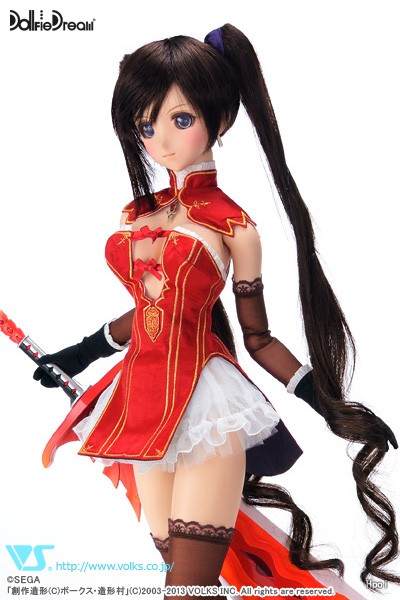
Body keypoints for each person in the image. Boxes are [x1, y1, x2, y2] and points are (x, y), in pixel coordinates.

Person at [33, 24, 399, 598]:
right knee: (182, 582)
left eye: (180, 120)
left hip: (206, 408)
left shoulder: (234, 227)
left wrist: (329, 403)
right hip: (142, 406)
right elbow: (148, 312)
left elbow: (259, 339)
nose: (161, 141)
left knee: (188, 586)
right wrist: (79, 352)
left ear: (220, 119)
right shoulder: (138, 213)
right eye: (145, 126)